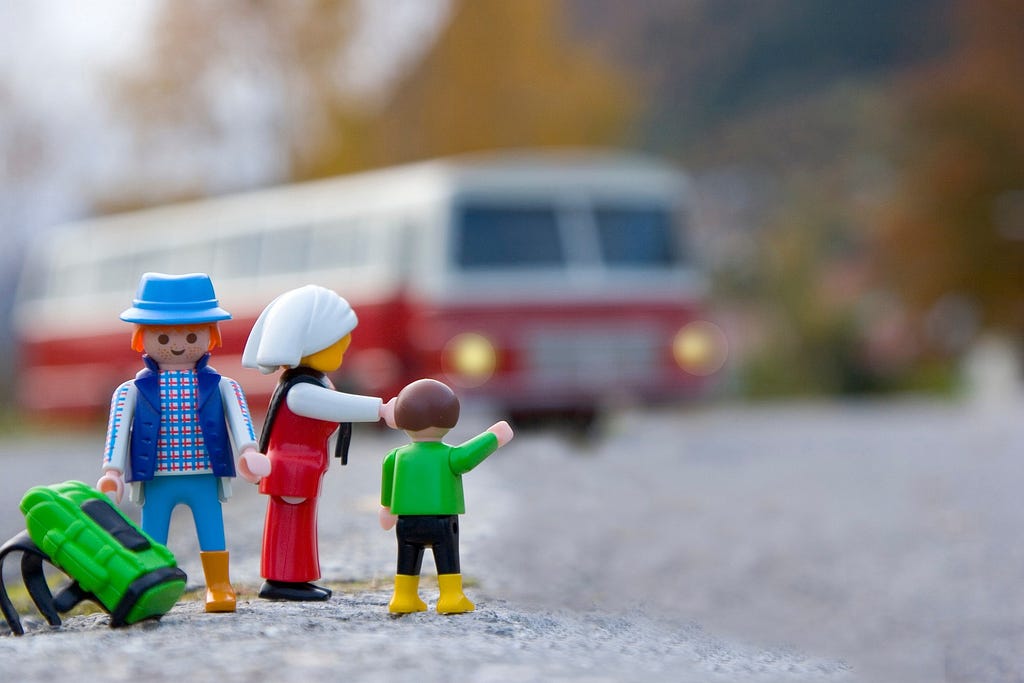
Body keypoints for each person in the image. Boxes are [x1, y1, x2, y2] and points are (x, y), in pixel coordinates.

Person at [97, 272, 270, 613]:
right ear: (141, 338)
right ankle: (152, 584)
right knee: (153, 536)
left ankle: (219, 585)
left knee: (211, 529)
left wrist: (249, 451)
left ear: (210, 336)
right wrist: (112, 471)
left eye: (191, 335)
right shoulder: (130, 391)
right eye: (162, 335)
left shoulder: (224, 385)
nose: (177, 344)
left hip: (205, 471)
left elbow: (240, 420)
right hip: (155, 475)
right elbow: (117, 430)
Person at [242, 285, 394, 601]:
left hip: (303, 468)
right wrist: (380, 409)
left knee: (302, 528)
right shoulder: (300, 390)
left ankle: (297, 578)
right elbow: (334, 405)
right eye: (337, 345)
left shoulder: (309, 382)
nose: (343, 350)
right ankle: (281, 580)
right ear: (312, 343)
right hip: (291, 469)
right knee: (291, 528)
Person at [379, 379, 513, 614]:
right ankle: (451, 597)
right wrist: (494, 437)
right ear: (450, 417)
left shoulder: (396, 456)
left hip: (407, 522)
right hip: (442, 520)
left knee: (407, 557)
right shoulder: (449, 455)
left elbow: (388, 484)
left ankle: (403, 596)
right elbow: (467, 458)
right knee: (447, 557)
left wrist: (387, 509)